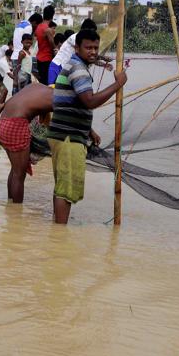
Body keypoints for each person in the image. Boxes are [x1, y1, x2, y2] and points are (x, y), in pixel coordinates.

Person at [47, 29, 127, 224]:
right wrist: (118, 84)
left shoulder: (76, 65)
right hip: (68, 138)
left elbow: (74, 102)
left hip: (65, 134)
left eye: (95, 47)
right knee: (65, 190)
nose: (93, 52)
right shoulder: (78, 68)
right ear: (77, 48)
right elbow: (89, 100)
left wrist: (89, 130)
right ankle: (59, 236)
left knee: (62, 187)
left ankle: (56, 231)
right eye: (88, 47)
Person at [0, 82, 54, 203]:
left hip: (3, 122)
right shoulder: (53, 97)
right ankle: (16, 213)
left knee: (15, 169)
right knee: (19, 174)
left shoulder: (36, 87)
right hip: (16, 124)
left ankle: (10, 205)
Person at [49, 19, 113, 86]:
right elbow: (89, 57)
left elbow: (90, 57)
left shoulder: (83, 41)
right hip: (57, 66)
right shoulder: (75, 38)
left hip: (66, 68)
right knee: (52, 90)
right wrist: (103, 61)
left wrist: (104, 62)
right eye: (92, 32)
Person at [34, 5, 57, 86]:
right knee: (48, 84)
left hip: (39, 57)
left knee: (42, 82)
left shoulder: (38, 27)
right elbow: (51, 43)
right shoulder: (47, 30)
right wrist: (56, 50)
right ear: (52, 16)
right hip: (47, 59)